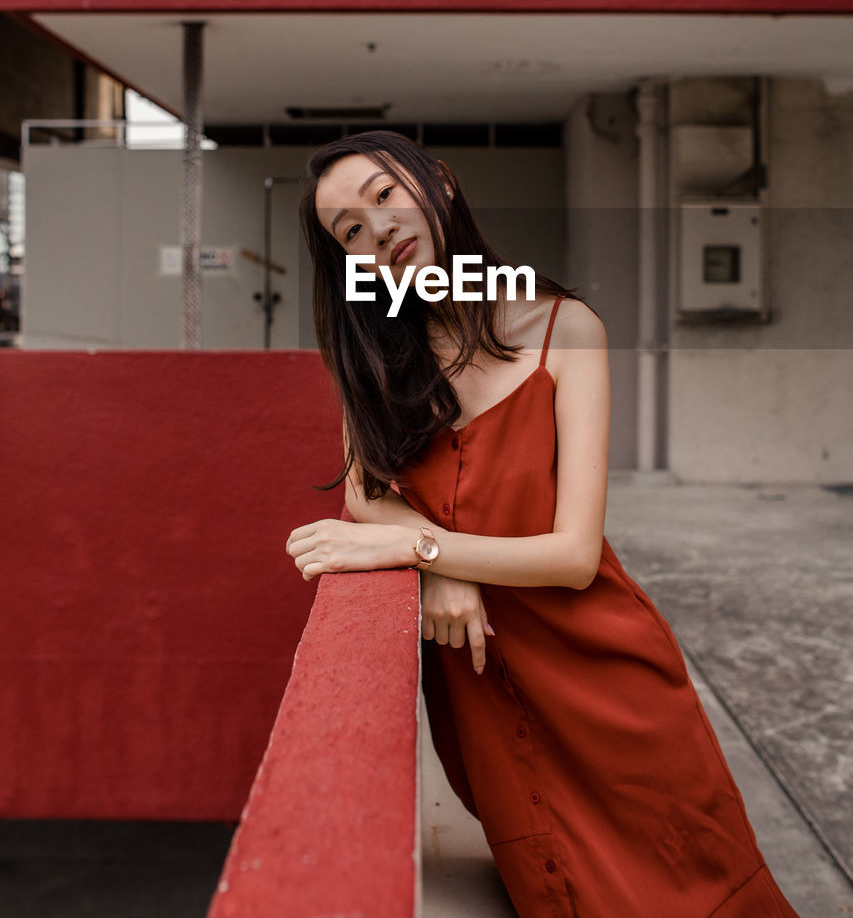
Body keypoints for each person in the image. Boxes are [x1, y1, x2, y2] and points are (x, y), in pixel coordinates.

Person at [286, 129, 801, 918]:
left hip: (605, 675)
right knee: (559, 889)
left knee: (698, 892)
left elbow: (573, 555)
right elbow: (365, 494)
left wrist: (418, 546)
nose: (377, 228)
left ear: (440, 185)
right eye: (348, 230)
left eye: (384, 195)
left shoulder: (567, 329)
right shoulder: (375, 359)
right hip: (489, 688)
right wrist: (444, 569)